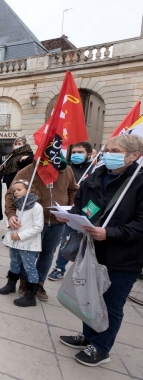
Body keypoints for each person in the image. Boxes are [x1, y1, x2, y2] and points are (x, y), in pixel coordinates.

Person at [59, 134, 143, 367]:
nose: (107, 154)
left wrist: (110, 233)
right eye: (106, 149)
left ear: (134, 155)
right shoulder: (96, 175)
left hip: (123, 257)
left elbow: (140, 223)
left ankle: (101, 347)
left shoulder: (139, 181)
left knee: (111, 304)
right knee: (89, 297)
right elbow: (81, 203)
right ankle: (88, 335)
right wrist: (73, 218)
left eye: (114, 151)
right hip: (92, 250)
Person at [5, 154, 78, 301]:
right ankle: (25, 283)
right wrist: (11, 213)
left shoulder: (66, 170)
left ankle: (39, 283)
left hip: (58, 223)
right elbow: (10, 193)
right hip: (33, 223)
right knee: (28, 255)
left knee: (48, 255)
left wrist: (71, 207)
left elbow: (73, 190)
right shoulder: (27, 171)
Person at [48, 141, 94, 281]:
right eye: (74, 152)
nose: (76, 155)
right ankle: (60, 268)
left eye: (80, 152)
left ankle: (84, 272)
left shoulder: (95, 170)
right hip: (69, 211)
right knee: (66, 241)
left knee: (86, 244)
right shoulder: (67, 169)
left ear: (89, 154)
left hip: (89, 212)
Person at [0, 180, 44, 307]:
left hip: (28, 243)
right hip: (14, 241)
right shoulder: (17, 205)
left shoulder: (36, 207)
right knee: (14, 262)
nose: (16, 193)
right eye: (14, 191)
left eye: (19, 190)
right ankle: (11, 284)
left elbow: (38, 227)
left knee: (29, 267)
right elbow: (9, 218)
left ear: (29, 190)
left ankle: (30, 295)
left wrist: (20, 235)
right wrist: (10, 223)